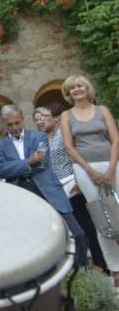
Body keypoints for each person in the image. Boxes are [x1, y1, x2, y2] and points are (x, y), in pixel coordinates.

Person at [0, 105, 87, 267]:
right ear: (3, 123)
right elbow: (2, 170)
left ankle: (83, 275)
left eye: (17, 123)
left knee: (78, 234)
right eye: (10, 125)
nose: (14, 127)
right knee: (37, 240)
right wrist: (29, 161)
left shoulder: (39, 137)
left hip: (49, 190)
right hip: (22, 195)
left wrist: (16, 166)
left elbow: (42, 162)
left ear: (22, 118)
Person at [61, 74, 119, 285]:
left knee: (118, 211)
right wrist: (90, 171)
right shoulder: (67, 116)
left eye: (80, 86)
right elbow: (69, 146)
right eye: (72, 88)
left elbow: (116, 139)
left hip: (112, 164)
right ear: (68, 94)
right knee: (101, 219)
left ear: (87, 89)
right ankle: (115, 269)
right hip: (85, 169)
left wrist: (112, 168)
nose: (77, 90)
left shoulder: (103, 111)